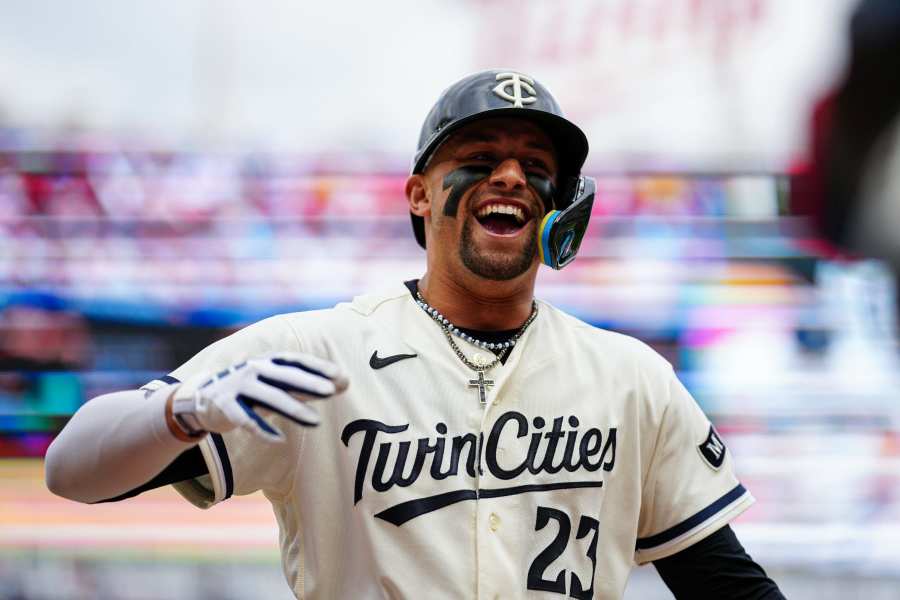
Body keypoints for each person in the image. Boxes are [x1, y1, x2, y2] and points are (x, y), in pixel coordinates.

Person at [45, 70, 784, 599]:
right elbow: (71, 471)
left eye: (536, 166)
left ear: (565, 206)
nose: (511, 177)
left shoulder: (630, 377)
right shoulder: (315, 353)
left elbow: (722, 582)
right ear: (419, 194)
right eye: (478, 159)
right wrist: (181, 413)